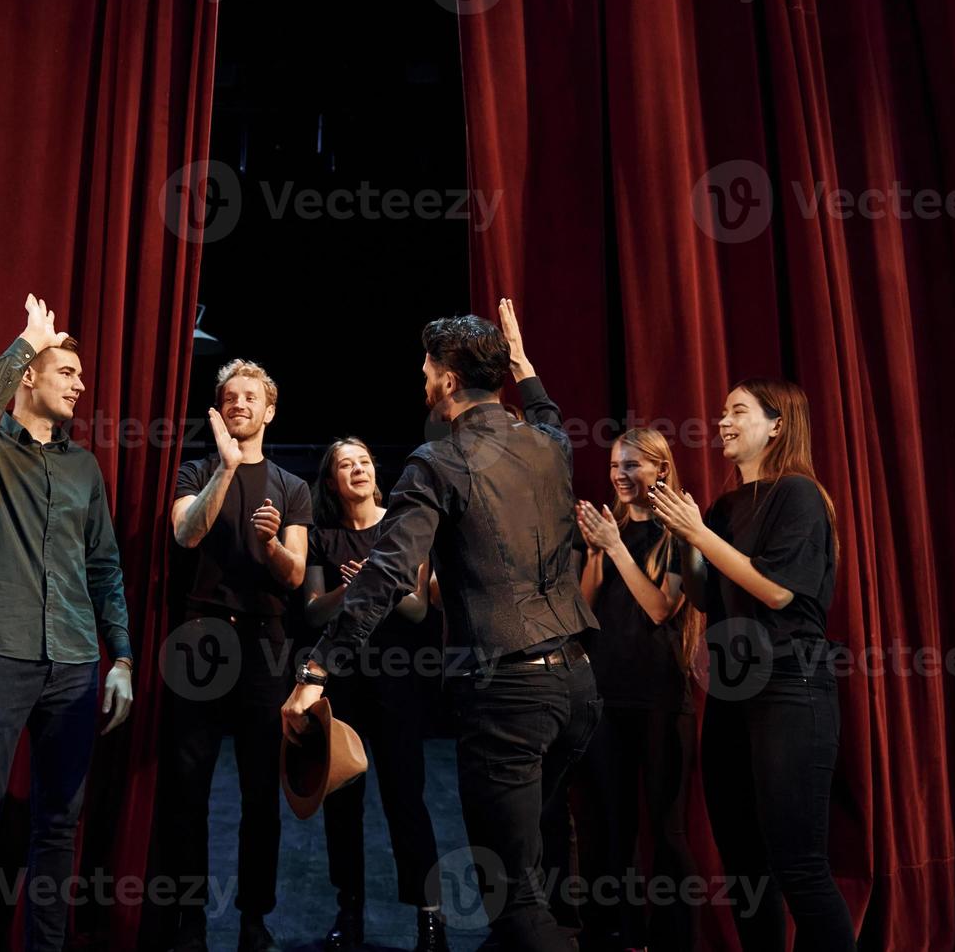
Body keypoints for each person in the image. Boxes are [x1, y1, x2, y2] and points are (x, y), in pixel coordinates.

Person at [284, 299, 602, 951]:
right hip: (576, 691)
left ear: (448, 380)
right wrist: (524, 362)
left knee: (513, 899)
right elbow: (547, 415)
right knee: (530, 878)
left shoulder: (437, 462)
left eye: (428, 367)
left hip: (509, 696)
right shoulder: (546, 446)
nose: (422, 378)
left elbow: (384, 577)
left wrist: (315, 670)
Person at [0, 294, 134, 952]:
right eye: (66, 372)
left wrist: (123, 659)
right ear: (30, 377)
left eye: (80, 374)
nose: (80, 384)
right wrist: (25, 342)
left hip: (74, 662)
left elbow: (103, 565)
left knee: (58, 825)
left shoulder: (83, 467)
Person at [649, 379, 856, 952]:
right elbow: (703, 593)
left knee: (799, 864)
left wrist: (697, 534)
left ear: (777, 424)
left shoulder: (799, 495)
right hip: (733, 696)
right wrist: (686, 537)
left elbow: (778, 593)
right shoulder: (723, 506)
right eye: (722, 412)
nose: (723, 421)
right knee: (745, 868)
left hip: (792, 687)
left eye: (738, 411)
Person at [162, 359, 311, 952]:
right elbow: (185, 534)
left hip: (263, 642)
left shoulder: (292, 486)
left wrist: (272, 543)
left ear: (269, 410)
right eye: (230, 396)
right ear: (219, 408)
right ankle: (190, 920)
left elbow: (296, 575)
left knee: (258, 790)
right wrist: (225, 469)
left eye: (251, 396)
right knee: (188, 786)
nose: (239, 403)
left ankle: (254, 919)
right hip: (200, 636)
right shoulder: (196, 469)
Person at [303, 437, 447, 952]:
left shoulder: (401, 526)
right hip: (343, 687)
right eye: (345, 465)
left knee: (406, 801)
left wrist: (371, 580)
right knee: (343, 805)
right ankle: (351, 913)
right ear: (333, 481)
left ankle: (430, 921)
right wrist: (350, 591)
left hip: (398, 685)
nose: (357, 469)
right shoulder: (323, 537)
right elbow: (313, 612)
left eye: (363, 461)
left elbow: (416, 611)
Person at [572, 429, 702, 951]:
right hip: (607, 698)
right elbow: (584, 611)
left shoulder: (678, 535)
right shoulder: (611, 531)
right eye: (614, 466)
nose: (620, 476)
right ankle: (628, 939)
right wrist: (596, 554)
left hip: (660, 701)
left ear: (661, 471)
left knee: (667, 834)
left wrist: (616, 548)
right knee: (611, 832)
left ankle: (677, 942)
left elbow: (658, 608)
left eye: (632, 466)